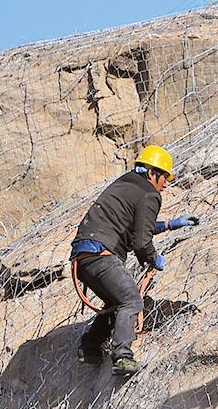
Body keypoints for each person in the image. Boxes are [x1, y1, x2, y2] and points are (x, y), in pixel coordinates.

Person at [71, 145, 198, 376]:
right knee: (131, 301)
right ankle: (122, 357)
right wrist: (153, 258)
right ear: (152, 173)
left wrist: (170, 224)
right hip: (101, 255)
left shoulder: (125, 184)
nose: (165, 184)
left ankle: (89, 348)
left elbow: (134, 229)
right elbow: (140, 242)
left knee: (116, 302)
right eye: (164, 178)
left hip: (83, 257)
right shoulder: (150, 193)